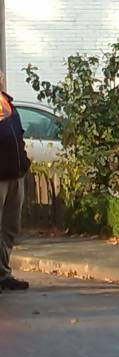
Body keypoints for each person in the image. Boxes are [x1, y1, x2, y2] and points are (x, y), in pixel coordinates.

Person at [0, 70, 31, 292]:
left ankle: (3, 274)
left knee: (10, 226)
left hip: (16, 176)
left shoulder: (9, 104)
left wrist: (25, 160)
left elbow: (17, 137)